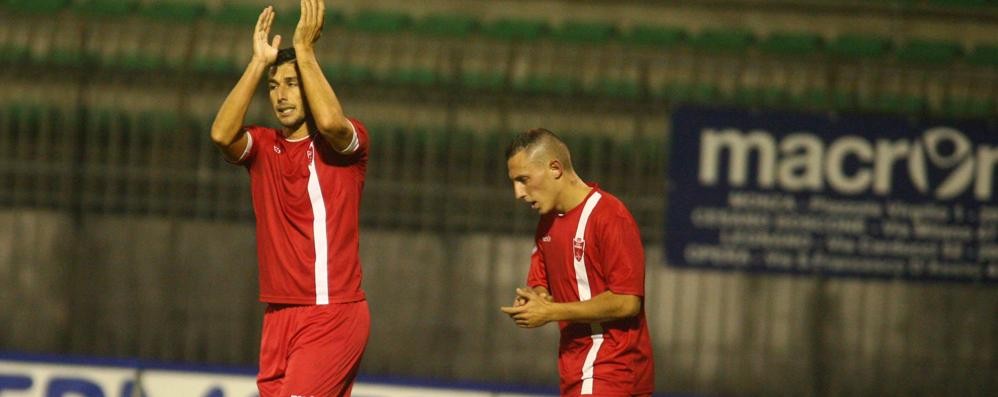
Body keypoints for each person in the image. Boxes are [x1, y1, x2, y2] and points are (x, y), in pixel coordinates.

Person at [209, 1, 369, 396]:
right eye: (274, 85)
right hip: (278, 315)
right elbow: (221, 135)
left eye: (292, 83)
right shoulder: (264, 147)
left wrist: (306, 51)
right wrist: (257, 63)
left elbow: (331, 121)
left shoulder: (344, 146)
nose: (280, 95)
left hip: (329, 311)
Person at [501, 128, 654, 397]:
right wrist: (535, 300)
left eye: (523, 179)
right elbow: (540, 282)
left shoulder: (609, 215)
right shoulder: (547, 224)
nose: (518, 193)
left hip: (611, 366)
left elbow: (627, 301)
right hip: (576, 366)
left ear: (555, 168)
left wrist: (551, 312)